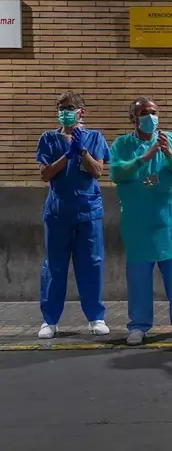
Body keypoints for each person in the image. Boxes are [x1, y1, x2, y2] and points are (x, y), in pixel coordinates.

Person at [109, 97, 172, 345]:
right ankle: (139, 325)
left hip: (166, 220)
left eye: (153, 112)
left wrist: (167, 153)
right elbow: (117, 172)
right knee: (139, 278)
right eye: (144, 113)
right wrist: (145, 157)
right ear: (133, 118)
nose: (150, 117)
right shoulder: (122, 144)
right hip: (137, 221)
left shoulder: (169, 139)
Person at [35, 92, 111, 339]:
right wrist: (66, 155)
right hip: (58, 213)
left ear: (81, 112)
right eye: (61, 108)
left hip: (88, 211)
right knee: (54, 266)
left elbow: (97, 171)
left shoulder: (95, 138)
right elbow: (45, 174)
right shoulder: (48, 139)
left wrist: (81, 152)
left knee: (91, 263)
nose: (64, 112)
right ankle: (50, 321)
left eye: (69, 107)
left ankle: (95, 317)